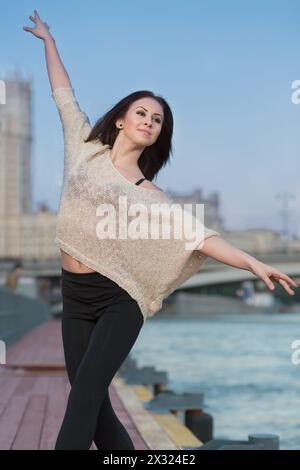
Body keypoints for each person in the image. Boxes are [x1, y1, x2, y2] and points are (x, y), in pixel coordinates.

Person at [23, 10, 298, 450]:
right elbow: (63, 95)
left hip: (119, 299)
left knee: (84, 398)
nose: (149, 121)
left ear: (158, 136)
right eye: (142, 113)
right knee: (94, 410)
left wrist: (252, 262)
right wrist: (48, 42)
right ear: (120, 119)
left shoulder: (150, 194)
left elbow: (199, 237)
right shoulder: (84, 148)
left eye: (157, 120)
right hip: (73, 295)